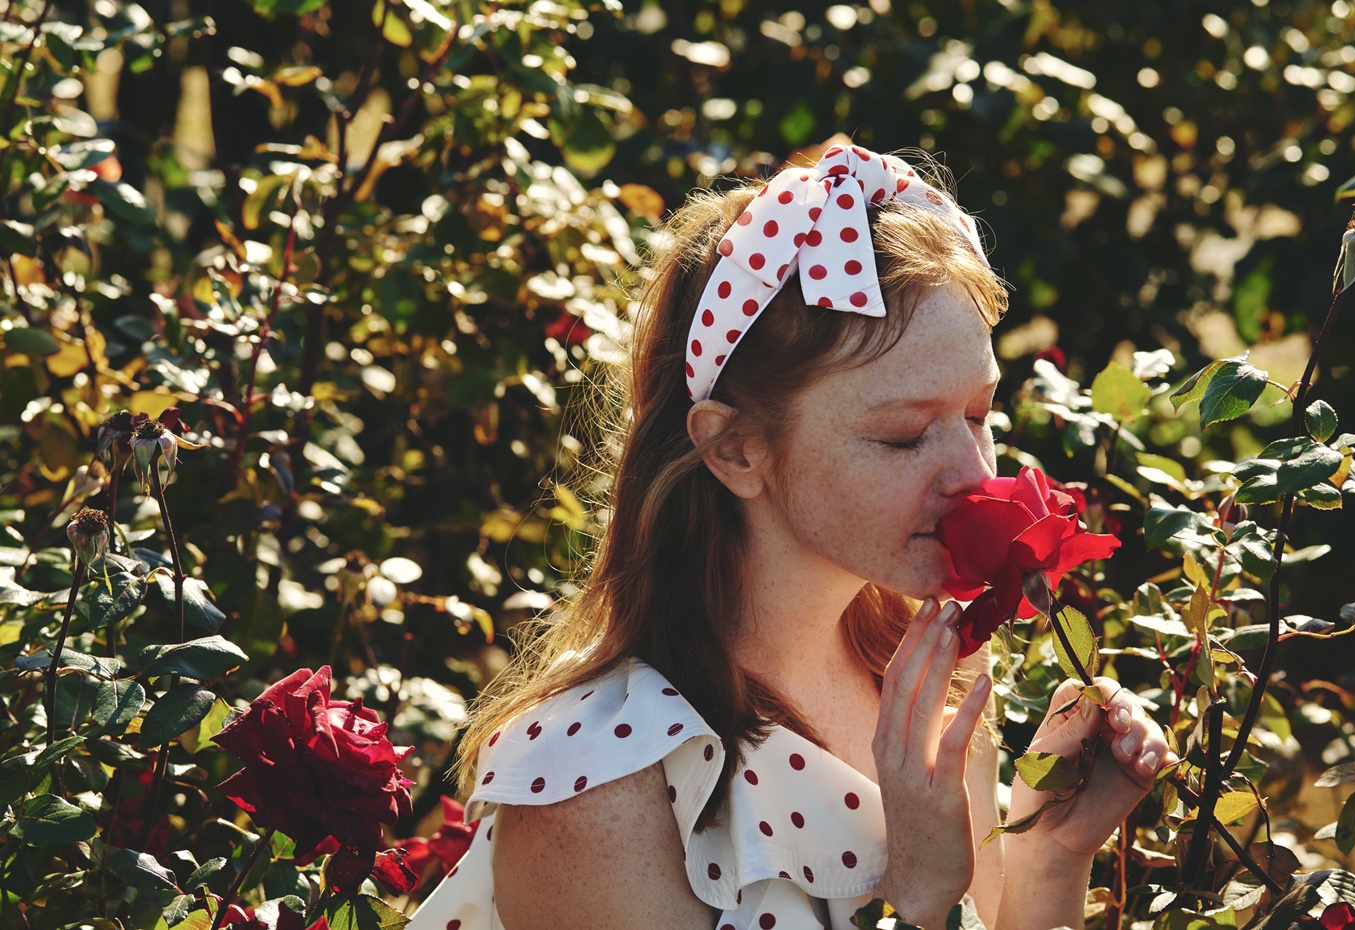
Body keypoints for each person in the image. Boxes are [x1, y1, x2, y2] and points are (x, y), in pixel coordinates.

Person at [407, 144, 1176, 930]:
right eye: (905, 436)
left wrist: (1052, 852)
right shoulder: (602, 789)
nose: (973, 471)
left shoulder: (922, 685)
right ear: (736, 450)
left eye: (978, 416)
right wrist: (910, 903)